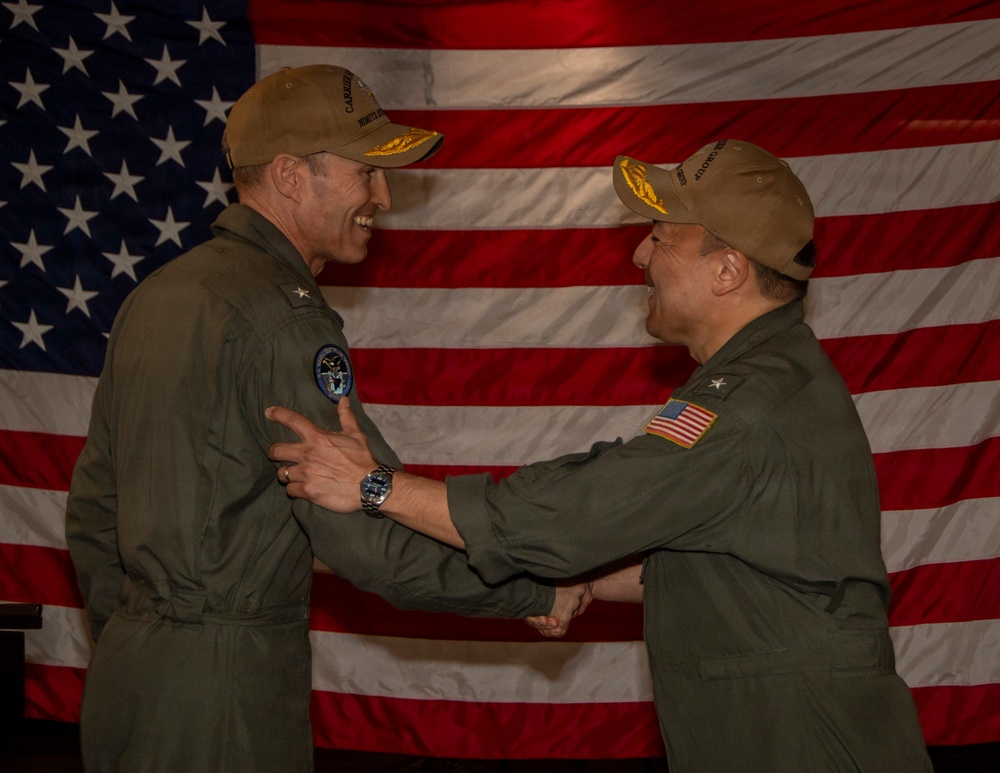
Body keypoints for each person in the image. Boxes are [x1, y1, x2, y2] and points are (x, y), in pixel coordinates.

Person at [266, 140, 934, 771]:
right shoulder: (766, 380)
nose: (641, 253)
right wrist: (579, 580)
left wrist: (378, 485)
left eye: (662, 236)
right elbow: (713, 559)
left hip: (807, 745)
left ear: (727, 270)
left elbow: (574, 515)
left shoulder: (750, 405)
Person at [64, 64, 586, 773]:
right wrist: (533, 585)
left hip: (133, 680)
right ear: (288, 174)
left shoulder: (157, 295)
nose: (383, 195)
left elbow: (95, 512)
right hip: (226, 696)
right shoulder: (285, 319)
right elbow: (369, 534)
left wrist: (147, 638)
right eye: (365, 172)